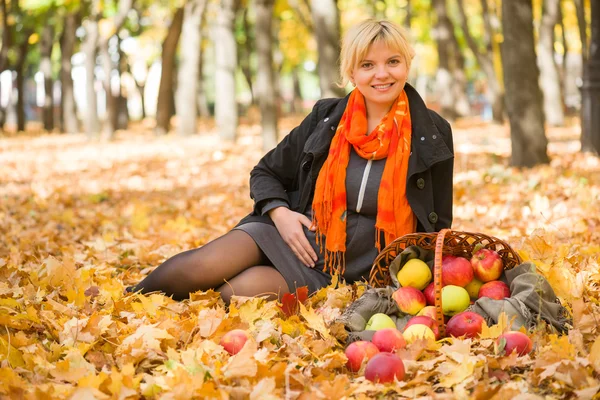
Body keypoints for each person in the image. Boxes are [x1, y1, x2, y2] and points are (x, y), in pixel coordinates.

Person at [127, 19, 454, 303]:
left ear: (407, 64)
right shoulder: (327, 118)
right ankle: (127, 299)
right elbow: (265, 172)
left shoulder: (432, 132)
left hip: (354, 273)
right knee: (201, 266)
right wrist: (280, 214)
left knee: (237, 292)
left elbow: (437, 222)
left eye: (392, 61)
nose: (382, 74)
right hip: (295, 238)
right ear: (352, 72)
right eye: (368, 65)